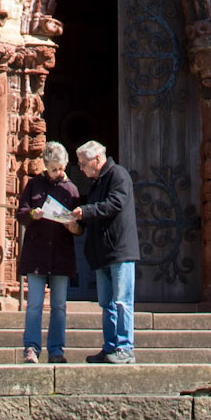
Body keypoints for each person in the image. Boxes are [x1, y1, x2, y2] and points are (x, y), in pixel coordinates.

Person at [73, 139, 139, 364]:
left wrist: (86, 211)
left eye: (83, 163)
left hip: (119, 250)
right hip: (102, 252)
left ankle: (125, 348)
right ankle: (110, 346)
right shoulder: (97, 182)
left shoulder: (118, 175)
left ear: (97, 159)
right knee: (107, 303)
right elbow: (95, 213)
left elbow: (115, 204)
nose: (80, 168)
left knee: (122, 301)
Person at [15, 141, 79, 364]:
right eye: (54, 169)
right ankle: (31, 348)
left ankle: (56, 350)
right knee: (34, 304)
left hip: (61, 255)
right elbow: (21, 214)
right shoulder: (34, 185)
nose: (59, 173)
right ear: (45, 166)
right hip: (37, 253)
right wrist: (34, 214)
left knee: (59, 306)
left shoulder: (70, 189)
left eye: (62, 168)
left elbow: (80, 227)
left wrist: (73, 226)